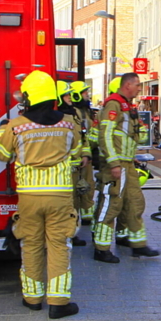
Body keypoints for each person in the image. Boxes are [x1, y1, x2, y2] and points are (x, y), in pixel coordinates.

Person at [0, 72, 80, 319]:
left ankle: (32, 298)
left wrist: (3, 133)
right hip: (60, 195)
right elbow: (75, 151)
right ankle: (59, 303)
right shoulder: (68, 122)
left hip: (29, 195)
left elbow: (1, 154)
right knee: (59, 244)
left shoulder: (17, 125)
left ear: (31, 96)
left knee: (30, 244)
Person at [93, 73, 160, 263]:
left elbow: (129, 136)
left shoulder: (127, 107)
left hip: (127, 164)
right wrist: (114, 162)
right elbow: (105, 136)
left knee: (135, 203)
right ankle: (101, 248)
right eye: (137, 85)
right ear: (127, 85)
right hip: (116, 165)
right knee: (111, 206)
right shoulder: (113, 105)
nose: (140, 88)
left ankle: (138, 245)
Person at [56, 81, 91, 246]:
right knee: (66, 203)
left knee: (76, 203)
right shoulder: (55, 116)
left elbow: (84, 136)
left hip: (78, 167)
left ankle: (72, 232)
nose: (69, 98)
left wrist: (86, 153)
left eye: (70, 94)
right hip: (64, 169)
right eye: (66, 95)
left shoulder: (76, 113)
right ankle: (65, 233)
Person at [69, 81, 97, 226]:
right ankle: (74, 218)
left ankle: (87, 215)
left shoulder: (86, 111)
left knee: (88, 186)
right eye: (85, 92)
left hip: (86, 156)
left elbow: (88, 134)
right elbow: (79, 136)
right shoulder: (74, 113)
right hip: (76, 159)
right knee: (75, 189)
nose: (87, 94)